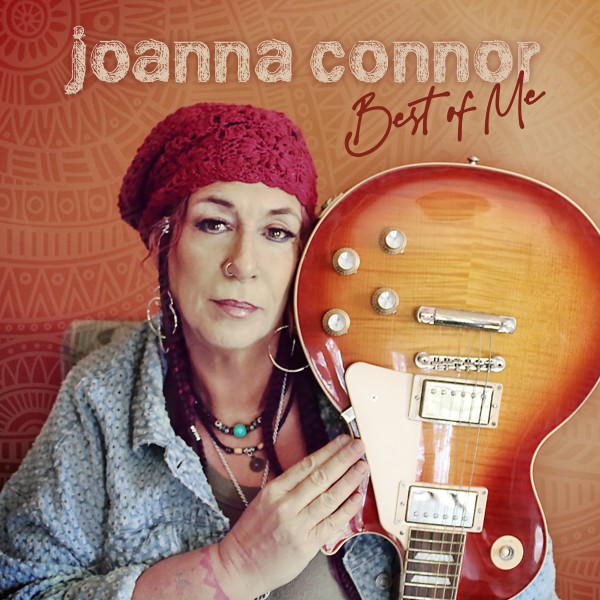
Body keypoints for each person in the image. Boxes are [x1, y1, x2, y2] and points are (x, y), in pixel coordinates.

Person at [0, 102, 557, 599]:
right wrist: (231, 569)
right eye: (214, 223)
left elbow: (508, 574)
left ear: (304, 254)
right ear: (163, 240)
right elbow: (22, 586)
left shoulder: (386, 380)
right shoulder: (100, 396)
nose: (243, 263)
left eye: (277, 232)